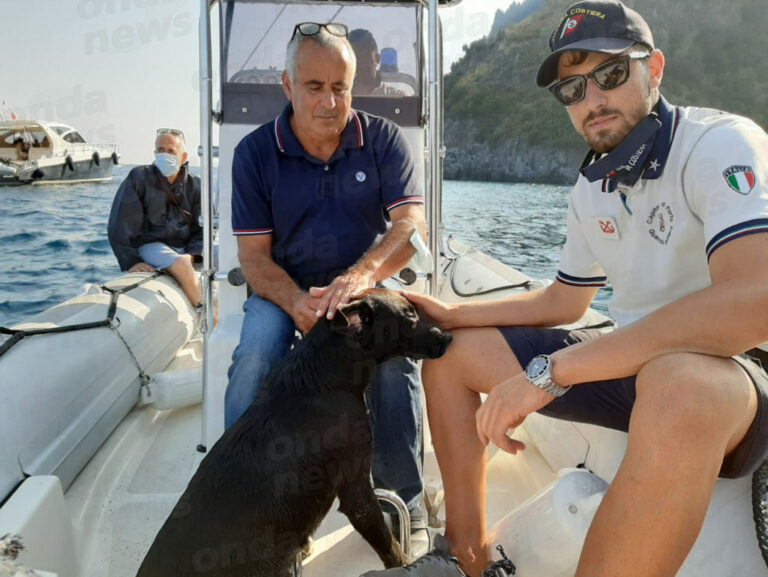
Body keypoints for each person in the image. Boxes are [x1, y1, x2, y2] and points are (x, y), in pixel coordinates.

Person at [362, 1, 768, 576]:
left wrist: (554, 372)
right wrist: (453, 317)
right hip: (631, 367)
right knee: (448, 358)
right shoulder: (592, 187)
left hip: (734, 376)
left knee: (678, 382)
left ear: (654, 70)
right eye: (571, 91)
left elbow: (755, 303)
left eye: (608, 75)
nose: (591, 101)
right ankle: (465, 557)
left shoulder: (721, 145)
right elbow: (564, 301)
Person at [227, 22, 430, 554]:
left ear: (353, 86)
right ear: (288, 87)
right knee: (256, 355)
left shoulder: (382, 138)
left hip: (362, 289)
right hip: (285, 289)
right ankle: (245, 498)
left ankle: (402, 497)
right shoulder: (253, 153)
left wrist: (361, 278)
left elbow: (409, 227)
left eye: (340, 87)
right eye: (313, 87)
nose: (328, 100)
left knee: (395, 361)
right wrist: (296, 301)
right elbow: (253, 259)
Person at [107, 128, 203, 307]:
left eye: (171, 151)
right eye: (160, 150)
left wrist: (194, 253)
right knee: (182, 264)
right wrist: (132, 262)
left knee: (231, 254)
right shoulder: (139, 177)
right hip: (152, 246)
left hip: (186, 248)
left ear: (183, 157)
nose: (164, 155)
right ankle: (209, 316)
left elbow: (201, 229)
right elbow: (119, 225)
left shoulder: (196, 184)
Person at [349, 28, 406, 96]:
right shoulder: (338, 96)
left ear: (377, 59)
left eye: (365, 56)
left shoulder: (397, 96)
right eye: (355, 58)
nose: (361, 64)